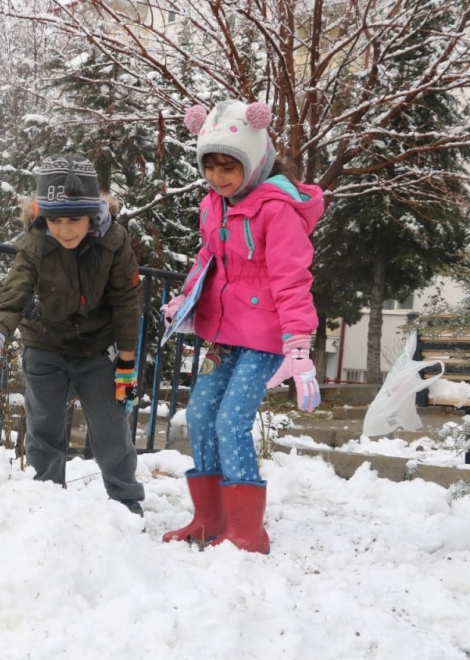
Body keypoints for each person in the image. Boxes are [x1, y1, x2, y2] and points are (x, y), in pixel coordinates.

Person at [160, 100, 325, 553]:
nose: (217, 177)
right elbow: (208, 258)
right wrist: (186, 298)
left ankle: (247, 531)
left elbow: (292, 278)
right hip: (224, 334)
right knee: (199, 415)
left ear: (253, 162)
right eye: (209, 166)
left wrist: (298, 343)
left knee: (231, 420)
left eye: (228, 167)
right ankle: (209, 518)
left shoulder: (276, 209)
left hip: (265, 338)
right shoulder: (213, 206)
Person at [0, 153, 146, 515]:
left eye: (74, 219)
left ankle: (126, 499)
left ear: (92, 213)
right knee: (44, 426)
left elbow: (127, 300)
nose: (65, 229)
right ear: (41, 214)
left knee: (111, 426)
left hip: (96, 347)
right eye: (55, 219)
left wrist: (127, 362)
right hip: (44, 343)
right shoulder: (34, 243)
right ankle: (45, 501)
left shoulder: (113, 240)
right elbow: (13, 294)